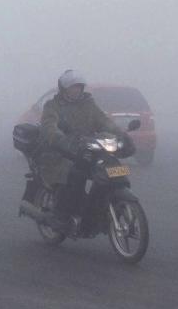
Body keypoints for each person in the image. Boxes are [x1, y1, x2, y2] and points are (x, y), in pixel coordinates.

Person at [37, 70, 134, 233]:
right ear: (64, 89)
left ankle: (96, 207)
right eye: (72, 87)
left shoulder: (88, 104)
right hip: (59, 153)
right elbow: (49, 128)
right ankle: (60, 215)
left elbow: (104, 122)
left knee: (109, 167)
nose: (76, 90)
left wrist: (122, 135)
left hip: (86, 147)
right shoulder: (52, 106)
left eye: (79, 87)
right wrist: (63, 141)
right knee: (73, 174)